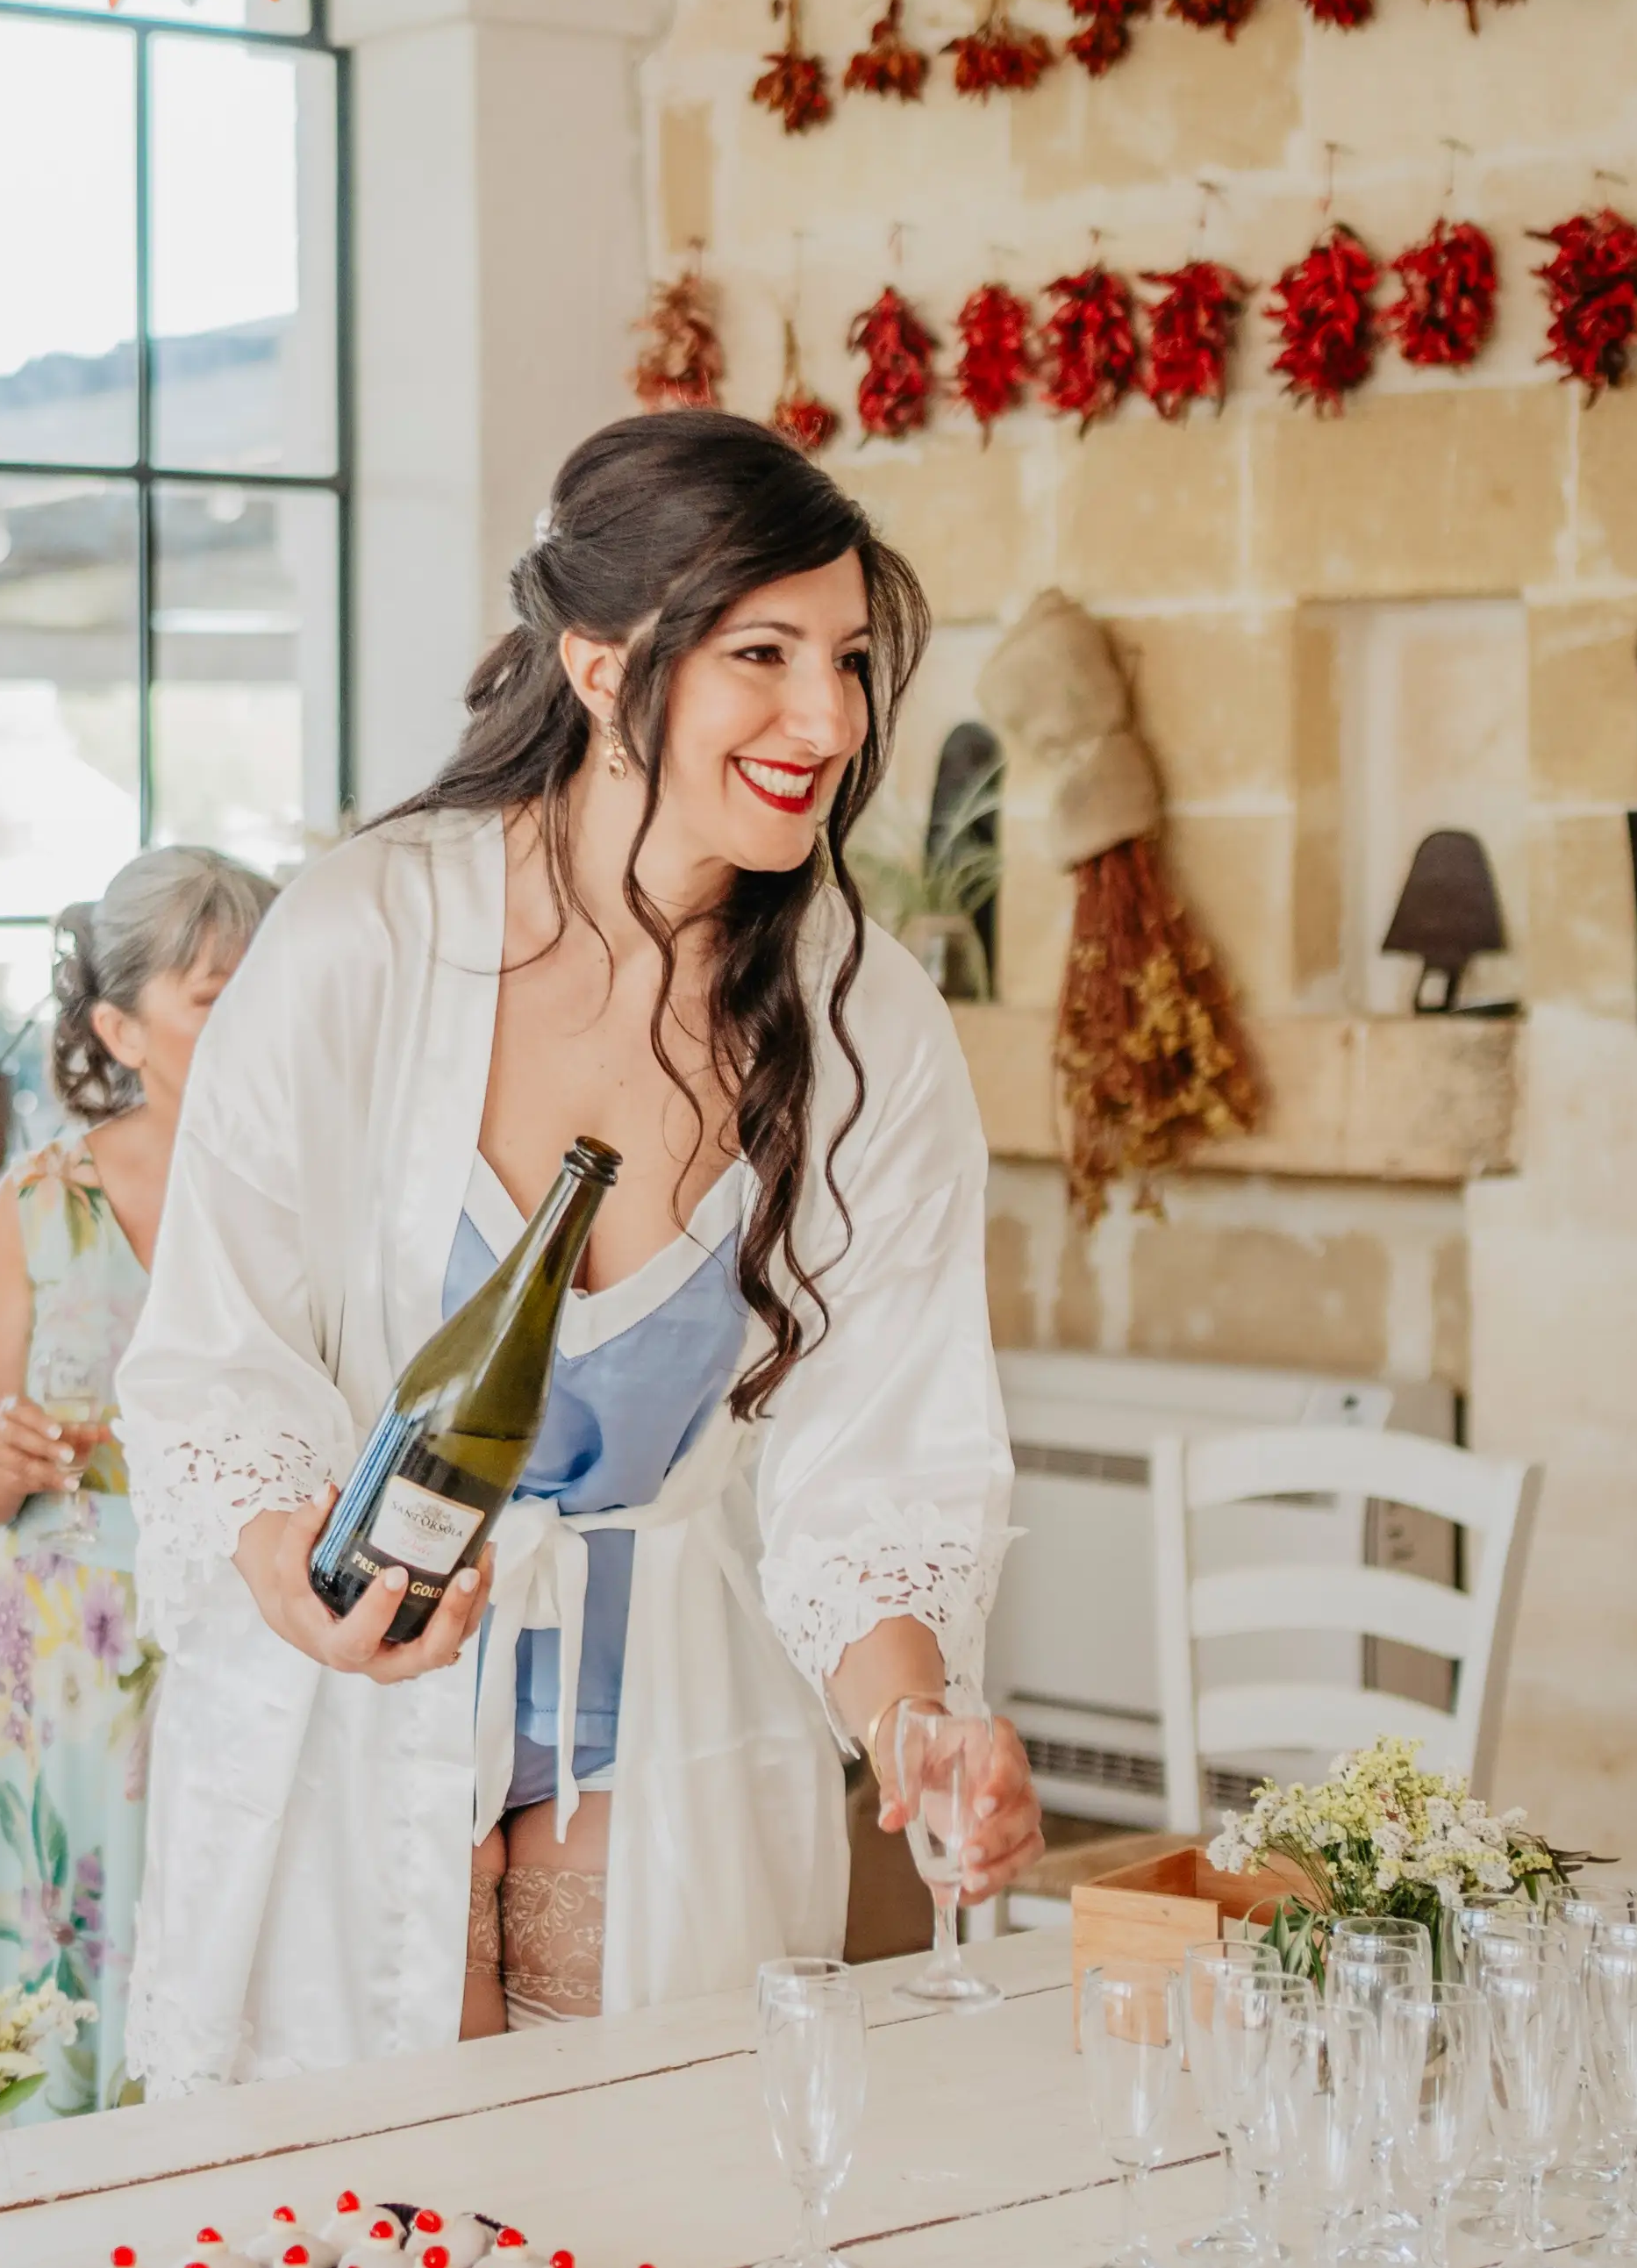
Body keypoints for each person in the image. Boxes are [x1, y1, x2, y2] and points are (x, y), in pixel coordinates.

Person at [117, 411, 1041, 2083]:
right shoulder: (362, 941)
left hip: (671, 1728)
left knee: (645, 2195)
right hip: (346, 1707)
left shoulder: (864, 1026)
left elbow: (878, 1468)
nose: (828, 718)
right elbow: (218, 1359)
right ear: (603, 668)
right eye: (762, 653)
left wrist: (919, 1724)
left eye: (847, 659)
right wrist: (291, 1573)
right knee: (371, 2216)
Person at [0, 845, 275, 2113]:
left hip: (251, 1635)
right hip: (58, 1676)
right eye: (216, 998)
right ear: (121, 1031)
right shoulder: (42, 1202)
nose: (259, 1020)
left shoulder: (311, 1197)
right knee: (51, 1992)